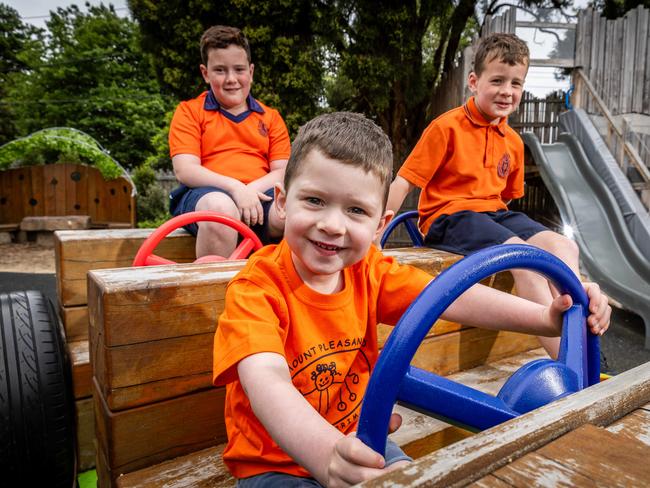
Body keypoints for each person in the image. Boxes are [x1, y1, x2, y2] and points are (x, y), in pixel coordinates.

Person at [213, 112, 611, 487]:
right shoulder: (257, 289)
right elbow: (267, 381)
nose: (332, 225)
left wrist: (545, 317)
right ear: (282, 201)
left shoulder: (368, 269)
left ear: (379, 225)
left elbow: (452, 298)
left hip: (360, 435)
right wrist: (327, 454)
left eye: (355, 210)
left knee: (411, 477)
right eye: (314, 200)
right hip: (275, 463)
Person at [385, 33, 579, 358]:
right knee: (524, 259)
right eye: (498, 80)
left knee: (563, 246)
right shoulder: (446, 128)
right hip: (449, 217)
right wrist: (376, 229)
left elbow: (508, 200)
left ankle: (579, 325)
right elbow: (404, 182)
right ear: (474, 82)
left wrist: (510, 234)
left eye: (516, 83)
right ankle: (571, 359)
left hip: (492, 215)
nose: (507, 91)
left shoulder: (514, 142)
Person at [168, 25, 291, 258]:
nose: (231, 79)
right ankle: (212, 293)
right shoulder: (189, 111)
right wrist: (235, 188)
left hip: (260, 197)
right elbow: (185, 170)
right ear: (205, 73)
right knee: (221, 210)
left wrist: (249, 191)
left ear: (251, 72)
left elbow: (283, 171)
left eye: (239, 69)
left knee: (296, 210)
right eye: (220, 70)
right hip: (206, 197)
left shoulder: (271, 117)